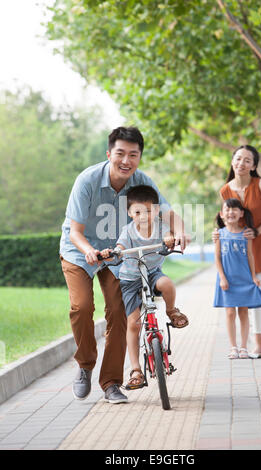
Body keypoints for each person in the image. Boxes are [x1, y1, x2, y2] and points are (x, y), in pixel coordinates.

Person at [59, 126, 190, 404]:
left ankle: (111, 383)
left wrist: (179, 231)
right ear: (109, 154)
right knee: (82, 307)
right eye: (120, 153)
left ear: (140, 157)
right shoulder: (88, 181)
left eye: (133, 154)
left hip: (121, 252)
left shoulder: (142, 181)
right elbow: (75, 231)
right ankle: (85, 364)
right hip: (80, 251)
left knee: (120, 312)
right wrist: (90, 251)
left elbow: (168, 213)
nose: (126, 160)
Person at [100, 185, 189, 389]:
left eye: (149, 211)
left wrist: (169, 239)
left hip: (152, 274)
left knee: (166, 283)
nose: (143, 216)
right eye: (138, 212)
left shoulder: (160, 227)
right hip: (131, 279)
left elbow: (168, 237)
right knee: (133, 324)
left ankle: (172, 311)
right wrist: (116, 252)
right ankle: (135, 369)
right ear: (130, 213)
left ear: (157, 210)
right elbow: (121, 246)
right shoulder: (128, 230)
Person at [213, 145, 261, 359]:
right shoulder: (225, 189)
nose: (241, 163)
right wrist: (218, 234)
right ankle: (257, 345)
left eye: (247, 160)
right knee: (254, 294)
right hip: (247, 250)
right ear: (232, 161)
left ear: (254, 165)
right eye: (238, 159)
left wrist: (256, 231)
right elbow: (227, 217)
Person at [214, 198, 261, 359]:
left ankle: (244, 347)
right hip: (227, 280)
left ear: (241, 213)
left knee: (244, 312)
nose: (231, 212)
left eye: (235, 209)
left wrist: (253, 276)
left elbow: (250, 256)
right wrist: (222, 277)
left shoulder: (246, 233)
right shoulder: (219, 234)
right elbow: (217, 258)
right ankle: (233, 347)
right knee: (230, 312)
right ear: (222, 214)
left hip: (244, 278)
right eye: (227, 210)